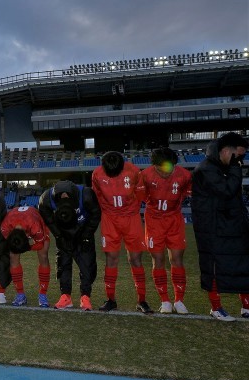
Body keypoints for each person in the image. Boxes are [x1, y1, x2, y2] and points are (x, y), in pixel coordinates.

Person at [191, 132, 249, 321]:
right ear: (225, 151)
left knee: (241, 264)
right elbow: (227, 190)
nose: (240, 160)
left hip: (230, 227)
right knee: (214, 267)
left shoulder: (222, 167)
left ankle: (246, 306)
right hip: (213, 229)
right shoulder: (205, 169)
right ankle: (216, 308)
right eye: (238, 155)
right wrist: (235, 168)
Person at [91, 152, 151, 314]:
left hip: (131, 219)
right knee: (111, 258)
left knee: (136, 259)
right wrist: (108, 210)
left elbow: (140, 194)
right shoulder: (97, 174)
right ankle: (111, 300)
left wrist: (129, 210)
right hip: (110, 219)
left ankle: (142, 300)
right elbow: (96, 195)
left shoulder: (133, 171)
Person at [136, 148, 192, 314]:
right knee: (158, 259)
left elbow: (186, 193)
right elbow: (140, 197)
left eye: (168, 168)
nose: (164, 173)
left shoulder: (185, 175)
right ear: (154, 166)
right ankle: (165, 300)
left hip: (174, 220)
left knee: (176, 259)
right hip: (154, 221)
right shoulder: (145, 175)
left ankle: (179, 300)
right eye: (160, 169)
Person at [38, 180, 101, 311]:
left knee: (87, 265)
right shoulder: (46, 199)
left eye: (68, 196)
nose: (65, 197)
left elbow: (96, 214)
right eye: (62, 196)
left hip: (83, 231)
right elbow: (49, 220)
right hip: (63, 232)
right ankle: (65, 296)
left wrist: (86, 235)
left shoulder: (86, 195)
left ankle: (85, 296)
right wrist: (58, 236)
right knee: (63, 264)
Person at [0, 206, 51, 307]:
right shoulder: (4, 227)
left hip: (35, 220)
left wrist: (26, 247)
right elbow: (12, 244)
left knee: (43, 254)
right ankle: (20, 295)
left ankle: (43, 294)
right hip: (17, 223)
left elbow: (40, 244)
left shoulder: (36, 227)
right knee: (13, 255)